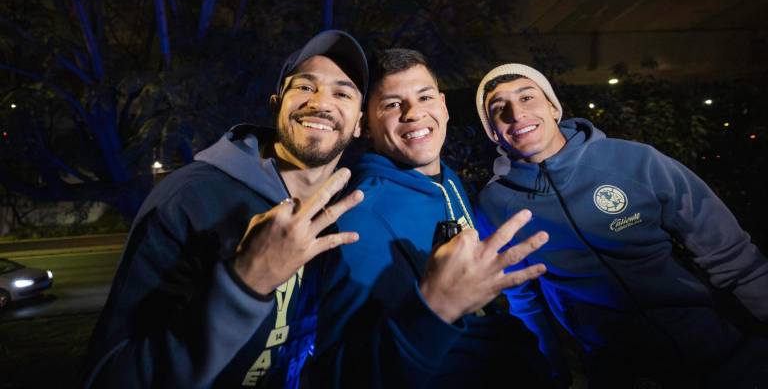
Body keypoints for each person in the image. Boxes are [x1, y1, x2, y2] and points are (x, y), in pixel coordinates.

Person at [84, 30, 370, 388]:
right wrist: (246, 282)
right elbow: (107, 377)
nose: (321, 103)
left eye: (342, 92)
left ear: (360, 123)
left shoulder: (347, 211)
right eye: (304, 87)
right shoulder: (190, 198)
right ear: (275, 103)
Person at [474, 63, 768, 387]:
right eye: (499, 109)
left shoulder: (635, 161)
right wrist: (552, 372)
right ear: (494, 132)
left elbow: (732, 255)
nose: (517, 114)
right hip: (617, 373)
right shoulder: (495, 204)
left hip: (721, 355)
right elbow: (523, 299)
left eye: (527, 97)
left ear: (553, 107)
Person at [313, 49, 554, 388]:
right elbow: (342, 374)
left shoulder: (445, 179)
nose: (414, 113)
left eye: (424, 97)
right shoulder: (362, 214)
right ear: (366, 124)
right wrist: (434, 310)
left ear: (442, 105)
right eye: (392, 104)